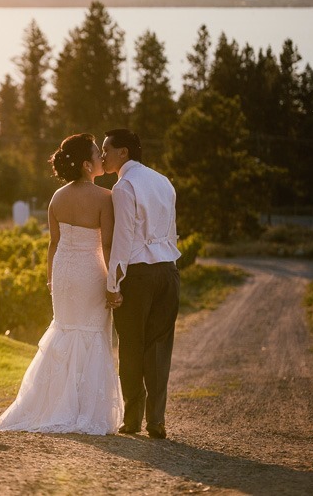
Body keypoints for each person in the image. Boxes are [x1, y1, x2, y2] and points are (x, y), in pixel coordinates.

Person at [0, 134, 124, 435]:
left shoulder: (57, 197)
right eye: (96, 153)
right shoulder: (105, 198)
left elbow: (53, 243)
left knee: (64, 328)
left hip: (63, 270)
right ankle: (83, 409)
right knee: (90, 332)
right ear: (88, 164)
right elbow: (107, 243)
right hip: (90, 270)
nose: (101, 158)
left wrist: (51, 278)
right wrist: (113, 281)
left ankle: (52, 404)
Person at [101, 128, 180, 440]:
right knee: (159, 347)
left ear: (124, 153)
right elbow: (171, 230)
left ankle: (133, 418)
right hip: (169, 270)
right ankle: (156, 421)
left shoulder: (124, 186)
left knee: (132, 345)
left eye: (107, 149)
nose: (102, 155)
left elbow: (123, 239)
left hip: (139, 274)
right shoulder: (163, 181)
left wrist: (113, 282)